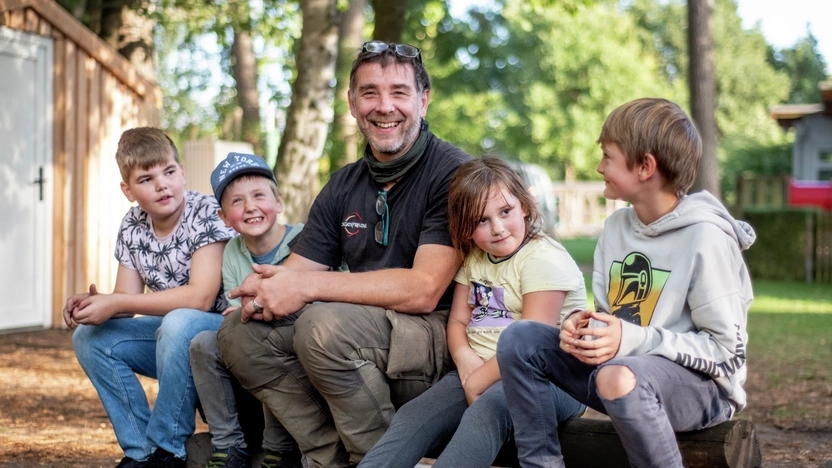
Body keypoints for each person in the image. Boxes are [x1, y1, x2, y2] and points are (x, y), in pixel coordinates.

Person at [216, 40, 471, 467]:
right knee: (238, 335)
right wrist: (261, 292)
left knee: (322, 326)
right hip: (362, 338)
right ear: (352, 103)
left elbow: (423, 290)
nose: (383, 106)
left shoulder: (453, 173)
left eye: (399, 92)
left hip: (439, 340)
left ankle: (377, 460)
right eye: (369, 92)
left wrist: (307, 287)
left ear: (424, 101)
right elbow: (296, 273)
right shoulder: (344, 183)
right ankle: (328, 458)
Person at [496, 98, 756, 468]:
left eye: (607, 156)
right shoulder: (616, 228)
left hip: (702, 391)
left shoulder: (706, 238)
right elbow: (614, 318)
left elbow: (727, 352)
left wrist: (631, 340)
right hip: (620, 371)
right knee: (520, 339)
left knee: (620, 375)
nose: (599, 166)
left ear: (645, 166)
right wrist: (584, 330)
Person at [358, 158, 587, 468]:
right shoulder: (477, 258)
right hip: (478, 370)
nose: (497, 228)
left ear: (524, 205)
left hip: (549, 379)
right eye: (481, 220)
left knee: (486, 413)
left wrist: (478, 381)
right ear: (465, 227)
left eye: (505, 212)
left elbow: (529, 346)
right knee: (414, 416)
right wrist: (464, 358)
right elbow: (458, 320)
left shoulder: (542, 259)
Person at [64, 127, 236, 468]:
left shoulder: (205, 211)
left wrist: (118, 303)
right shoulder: (133, 224)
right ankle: (140, 454)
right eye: (146, 179)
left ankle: (168, 448)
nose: (162, 184)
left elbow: (201, 298)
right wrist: (97, 303)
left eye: (169, 172)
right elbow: (127, 299)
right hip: (172, 339)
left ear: (182, 172)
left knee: (179, 320)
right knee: (90, 338)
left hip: (219, 333)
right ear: (128, 190)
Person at [189, 153, 304, 468]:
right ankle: (229, 446)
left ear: (278, 202)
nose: (250, 206)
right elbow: (235, 310)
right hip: (250, 337)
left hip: (298, 342)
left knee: (266, 340)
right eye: (237, 202)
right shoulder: (232, 252)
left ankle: (279, 449)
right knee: (202, 343)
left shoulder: (304, 241)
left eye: (258, 196)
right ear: (224, 217)